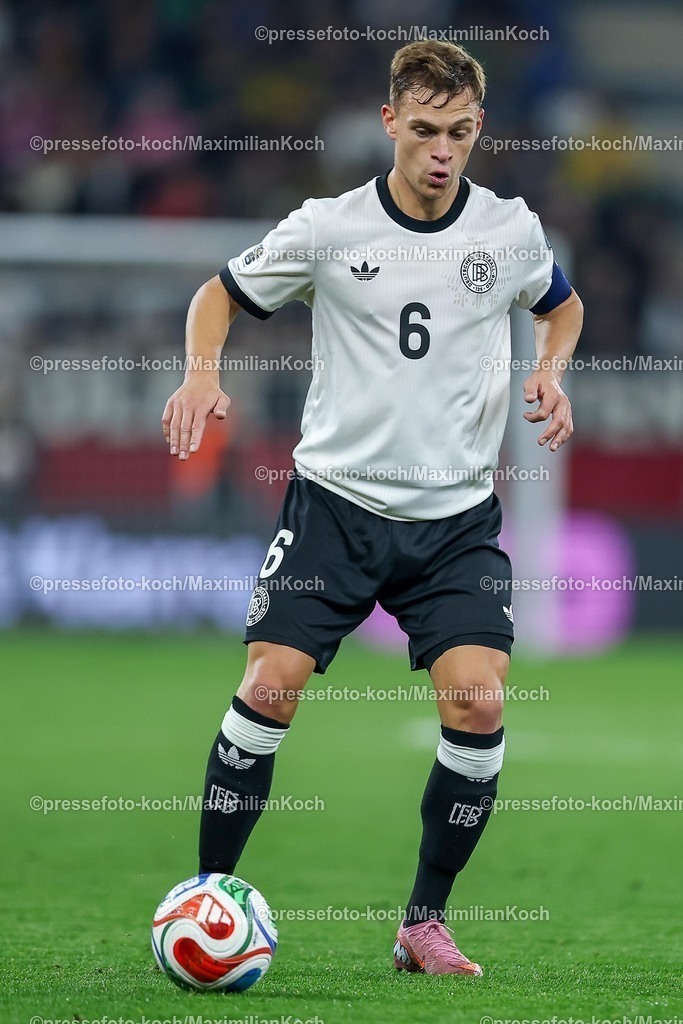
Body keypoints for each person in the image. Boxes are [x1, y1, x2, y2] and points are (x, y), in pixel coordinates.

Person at [162, 39, 583, 976]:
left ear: (479, 132)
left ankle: (421, 924)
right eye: (425, 130)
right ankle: (206, 897)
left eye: (461, 133)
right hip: (335, 509)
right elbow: (219, 294)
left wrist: (551, 372)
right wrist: (201, 373)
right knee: (270, 685)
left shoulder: (508, 231)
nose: (442, 151)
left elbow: (561, 304)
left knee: (477, 707)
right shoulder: (328, 227)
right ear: (390, 122)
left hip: (454, 522)